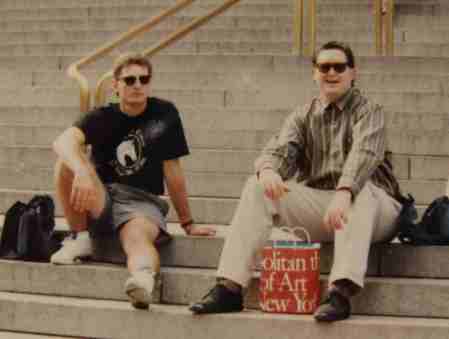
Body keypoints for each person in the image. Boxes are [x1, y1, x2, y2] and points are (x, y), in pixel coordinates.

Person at [189, 41, 402, 322]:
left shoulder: (369, 111)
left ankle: (339, 292)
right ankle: (229, 287)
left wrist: (345, 191)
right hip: (326, 209)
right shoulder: (303, 115)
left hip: (377, 209)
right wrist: (268, 171)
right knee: (257, 187)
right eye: (324, 67)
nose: (332, 73)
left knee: (358, 192)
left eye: (340, 66)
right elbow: (279, 150)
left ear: (353, 73)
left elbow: (364, 154)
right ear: (315, 73)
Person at [51, 53, 215, 309]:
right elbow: (62, 141)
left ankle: (142, 280)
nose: (138, 85)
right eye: (129, 80)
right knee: (66, 161)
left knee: (137, 237)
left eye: (144, 79)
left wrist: (188, 222)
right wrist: (82, 171)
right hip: (101, 197)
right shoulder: (102, 115)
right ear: (115, 85)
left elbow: (173, 171)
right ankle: (80, 237)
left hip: (141, 202)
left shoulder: (165, 114)